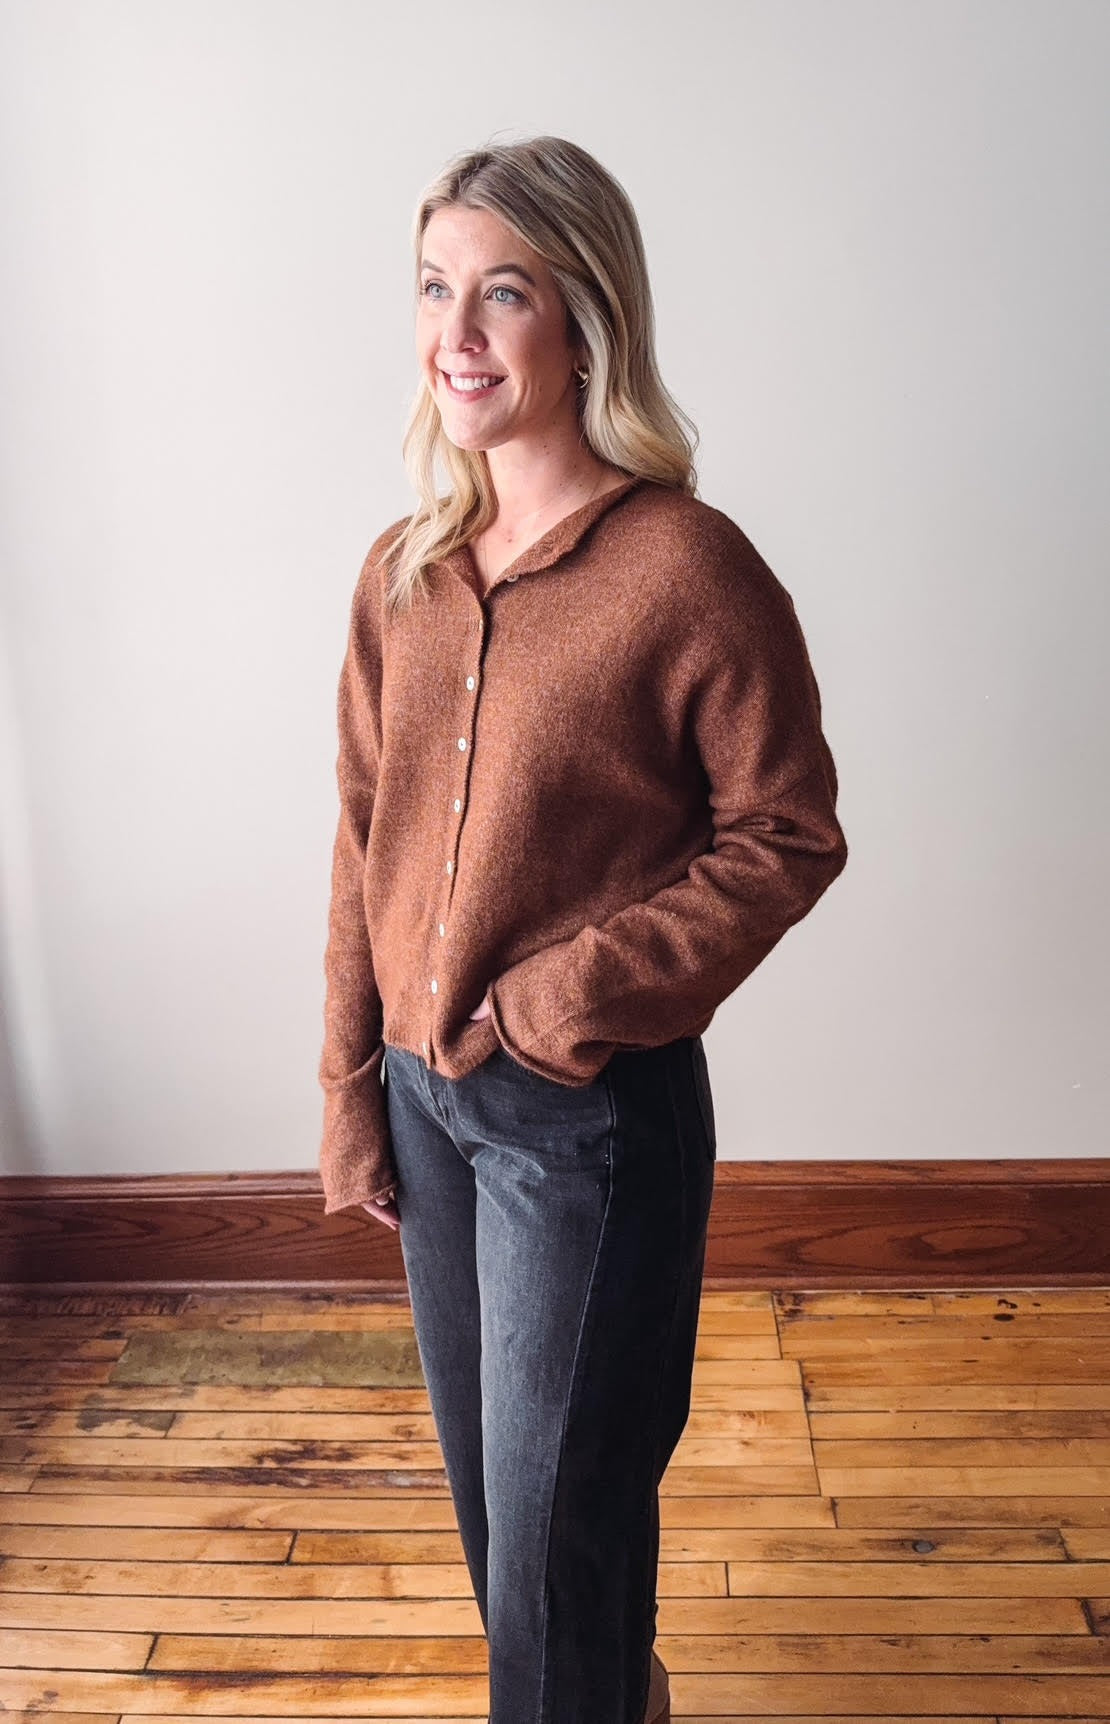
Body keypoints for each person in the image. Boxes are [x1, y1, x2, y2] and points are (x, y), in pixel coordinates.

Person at [317, 134, 848, 1724]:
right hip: (426, 1111)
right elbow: (359, 844)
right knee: (511, 1529)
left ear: (586, 321)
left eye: (504, 292)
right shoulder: (399, 576)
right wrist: (351, 1088)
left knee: (563, 1527)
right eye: (433, 288)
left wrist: (564, 996)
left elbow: (785, 833)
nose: (454, 332)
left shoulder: (687, 568)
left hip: (585, 1121)